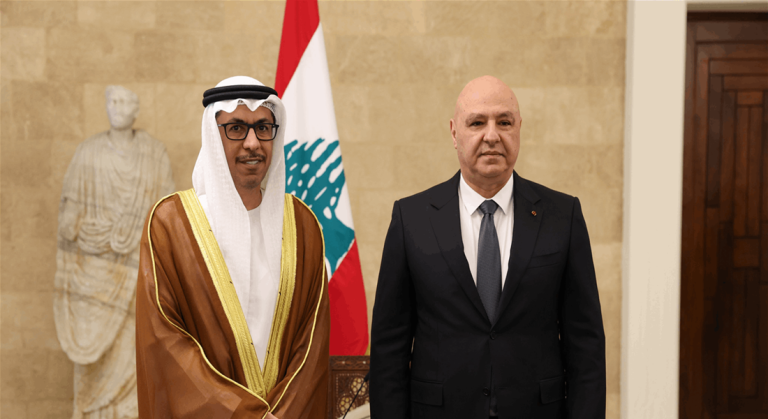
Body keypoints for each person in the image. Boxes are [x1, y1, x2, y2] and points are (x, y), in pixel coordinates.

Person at [370, 76, 606, 419]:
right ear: (454, 133)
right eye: (477, 122)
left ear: (519, 129)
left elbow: (586, 346)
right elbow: (389, 349)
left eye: (504, 122)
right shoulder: (411, 219)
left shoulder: (562, 215)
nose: (492, 135)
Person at [135, 76, 330, 419]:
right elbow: (165, 344)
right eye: (236, 128)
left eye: (263, 128)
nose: (253, 143)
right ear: (213, 135)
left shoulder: (303, 227)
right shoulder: (170, 225)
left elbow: (312, 347)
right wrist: (245, 415)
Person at [54, 85, 175, 419]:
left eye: (124, 102)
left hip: (138, 267)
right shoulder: (88, 152)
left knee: (136, 344)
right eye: (112, 101)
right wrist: (77, 226)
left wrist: (137, 232)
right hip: (95, 271)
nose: (117, 107)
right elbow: (69, 215)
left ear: (136, 109)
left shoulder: (154, 154)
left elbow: (166, 212)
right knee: (94, 355)